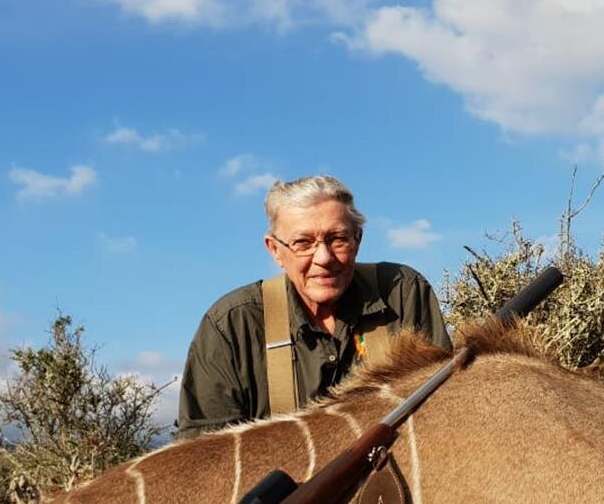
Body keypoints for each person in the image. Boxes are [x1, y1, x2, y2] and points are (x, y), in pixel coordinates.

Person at [176, 175, 450, 439]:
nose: (324, 258)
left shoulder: (402, 292)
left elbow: (442, 406)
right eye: (303, 243)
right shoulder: (233, 324)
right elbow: (204, 454)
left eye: (338, 239)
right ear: (275, 250)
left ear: (357, 241)